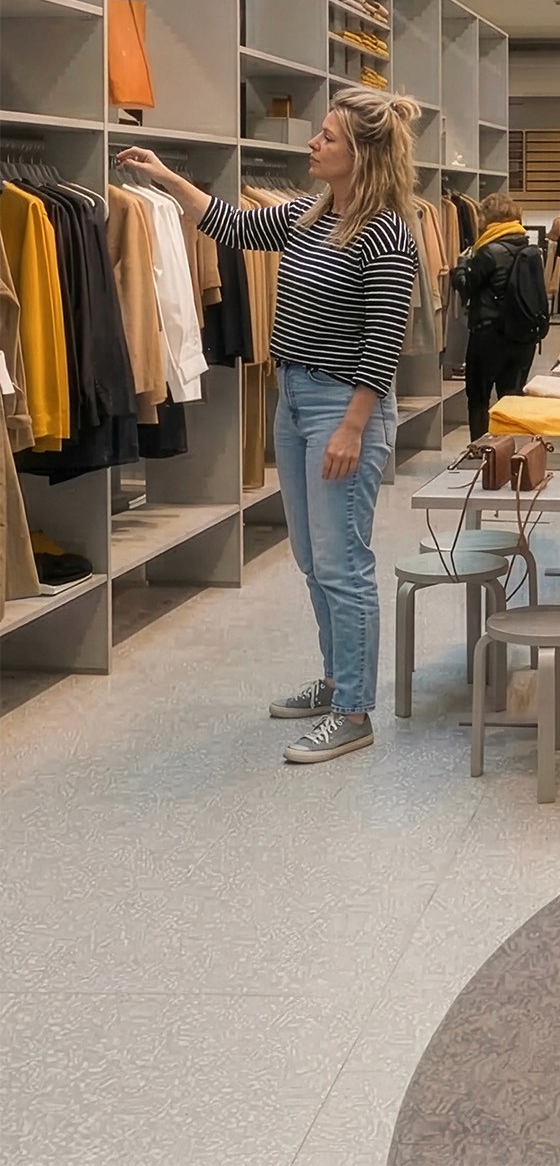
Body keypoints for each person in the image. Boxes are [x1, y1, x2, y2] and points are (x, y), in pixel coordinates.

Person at [116, 88, 422, 764]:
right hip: (295, 399)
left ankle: (354, 712)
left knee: (343, 564)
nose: (313, 143)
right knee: (313, 560)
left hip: (344, 407)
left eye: (328, 137)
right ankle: (337, 681)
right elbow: (233, 225)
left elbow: (383, 341)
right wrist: (164, 177)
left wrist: (352, 428)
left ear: (362, 155)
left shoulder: (387, 233)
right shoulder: (312, 214)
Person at [450, 193, 544, 439]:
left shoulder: (488, 251)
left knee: (478, 396)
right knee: (511, 398)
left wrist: (460, 267)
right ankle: (509, 448)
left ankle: (481, 449)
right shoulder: (529, 248)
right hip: (523, 334)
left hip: (489, 333)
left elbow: (467, 286)